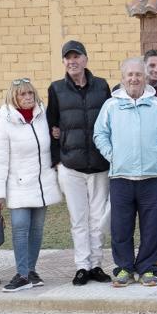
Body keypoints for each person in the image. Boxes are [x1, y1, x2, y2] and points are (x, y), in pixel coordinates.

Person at [94, 58, 157, 288]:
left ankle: (148, 268)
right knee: (121, 226)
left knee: (151, 226)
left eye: (138, 75)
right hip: (121, 177)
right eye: (129, 75)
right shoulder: (111, 105)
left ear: (145, 77)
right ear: (122, 78)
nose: (134, 78)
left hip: (151, 177)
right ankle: (124, 268)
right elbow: (100, 134)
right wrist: (112, 155)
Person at [46, 40, 113, 286]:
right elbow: (50, 125)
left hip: (99, 164)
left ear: (85, 59)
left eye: (77, 57)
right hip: (71, 165)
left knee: (98, 218)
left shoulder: (102, 86)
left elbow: (109, 121)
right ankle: (82, 266)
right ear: (64, 62)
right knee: (78, 219)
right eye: (68, 58)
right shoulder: (56, 89)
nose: (72, 61)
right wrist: (56, 161)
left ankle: (96, 264)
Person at [0, 79, 62, 292]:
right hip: (18, 184)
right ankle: (22, 274)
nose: (28, 97)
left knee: (37, 229)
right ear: (14, 97)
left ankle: (30, 271)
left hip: (42, 184)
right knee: (21, 228)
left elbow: (54, 142)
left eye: (30, 93)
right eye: (22, 94)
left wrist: (57, 133)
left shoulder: (43, 116)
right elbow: (0, 159)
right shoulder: (4, 121)